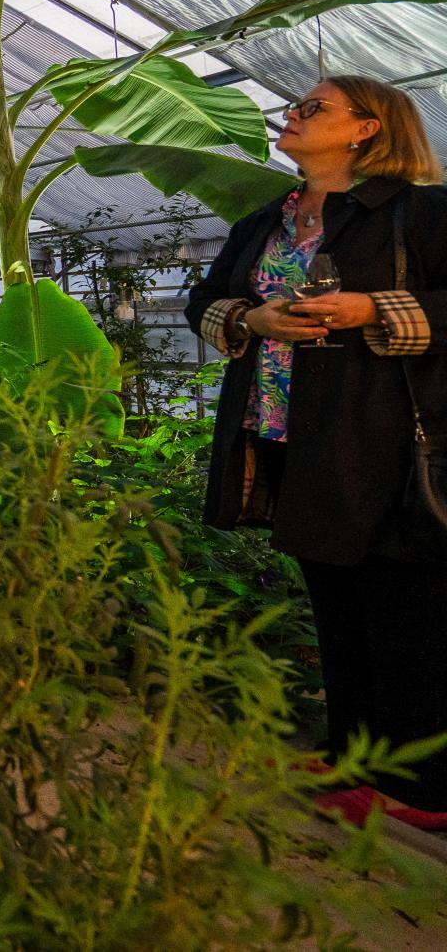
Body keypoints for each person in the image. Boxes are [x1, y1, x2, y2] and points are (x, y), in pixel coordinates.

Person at [185, 74, 447, 831]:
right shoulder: (267, 220)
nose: (292, 115)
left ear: (367, 130)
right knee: (336, 598)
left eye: (313, 108)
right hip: (286, 431)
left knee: (406, 610)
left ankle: (423, 784)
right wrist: (251, 315)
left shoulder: (419, 213)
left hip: (388, 440)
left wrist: (374, 307)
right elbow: (203, 298)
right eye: (295, 106)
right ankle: (354, 750)